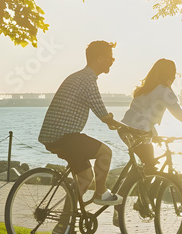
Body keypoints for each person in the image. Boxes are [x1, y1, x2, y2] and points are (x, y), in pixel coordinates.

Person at [38, 40, 122, 206]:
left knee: (85, 178)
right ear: (99, 59)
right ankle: (101, 193)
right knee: (105, 153)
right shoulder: (88, 80)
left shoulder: (77, 76)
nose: (112, 62)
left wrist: (109, 120)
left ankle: (65, 220)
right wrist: (120, 125)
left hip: (53, 136)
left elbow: (101, 113)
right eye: (110, 58)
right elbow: (103, 114)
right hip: (66, 137)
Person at [120, 58, 182, 171]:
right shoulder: (164, 91)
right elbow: (179, 113)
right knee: (150, 168)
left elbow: (144, 116)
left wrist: (154, 135)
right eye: (174, 75)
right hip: (139, 133)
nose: (174, 78)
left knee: (146, 167)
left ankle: (136, 180)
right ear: (170, 76)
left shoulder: (145, 90)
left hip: (126, 130)